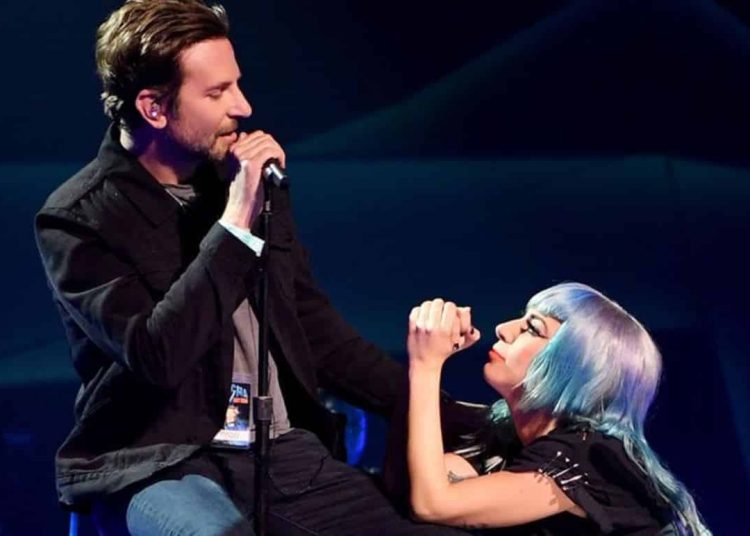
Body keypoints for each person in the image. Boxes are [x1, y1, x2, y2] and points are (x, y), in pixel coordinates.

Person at [34, 1, 475, 534]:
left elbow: (314, 332)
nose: (242, 106)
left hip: (278, 451)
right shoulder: (81, 217)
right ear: (153, 108)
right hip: (159, 463)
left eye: (236, 85)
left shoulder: (245, 185)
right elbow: (158, 354)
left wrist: (453, 414)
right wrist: (237, 220)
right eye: (217, 92)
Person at [405, 283, 711, 535]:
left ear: (576, 370)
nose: (503, 329)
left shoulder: (586, 455)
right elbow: (421, 485)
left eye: (532, 328)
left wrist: (425, 365)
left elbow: (433, 504)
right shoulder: (510, 438)